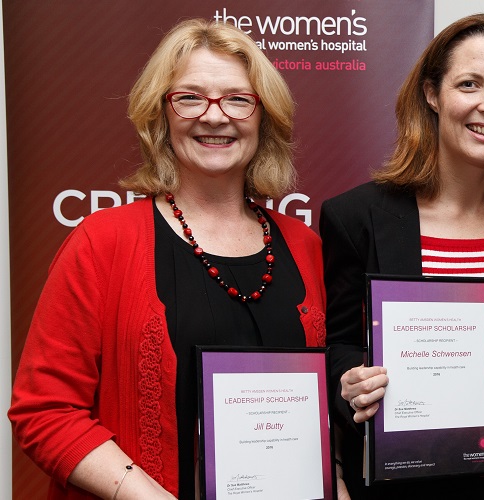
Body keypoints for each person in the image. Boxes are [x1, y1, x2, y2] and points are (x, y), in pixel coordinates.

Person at [8, 19, 326, 499]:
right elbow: (45, 411)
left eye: (238, 99)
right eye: (190, 97)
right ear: (162, 115)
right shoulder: (102, 243)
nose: (214, 116)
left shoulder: (305, 246)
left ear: (265, 118)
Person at [320, 13, 484, 500]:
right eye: (469, 84)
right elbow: (335, 343)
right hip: (409, 477)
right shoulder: (356, 217)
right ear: (432, 93)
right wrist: (351, 381)